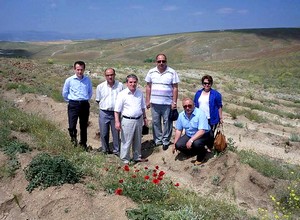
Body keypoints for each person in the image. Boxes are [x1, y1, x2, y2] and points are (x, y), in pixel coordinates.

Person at [145, 54, 180, 151]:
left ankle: (166, 141)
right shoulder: (151, 72)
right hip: (155, 103)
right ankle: (157, 140)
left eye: (163, 61)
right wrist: (147, 100)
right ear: (156, 62)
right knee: (156, 122)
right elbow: (148, 86)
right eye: (159, 61)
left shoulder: (172, 72)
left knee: (167, 122)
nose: (161, 63)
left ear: (166, 61)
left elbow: (175, 88)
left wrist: (174, 102)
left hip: (167, 103)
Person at [114, 74, 148, 164]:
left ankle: (137, 157)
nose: (133, 84)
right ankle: (125, 159)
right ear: (127, 83)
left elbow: (143, 107)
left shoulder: (139, 93)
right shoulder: (122, 94)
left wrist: (145, 118)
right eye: (130, 82)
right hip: (127, 120)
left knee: (138, 140)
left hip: (139, 119)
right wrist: (117, 122)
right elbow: (117, 110)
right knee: (126, 141)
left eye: (134, 82)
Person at [62, 61, 93, 150]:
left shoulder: (87, 80)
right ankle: (73, 141)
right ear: (74, 69)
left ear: (84, 69)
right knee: (72, 125)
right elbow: (65, 93)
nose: (80, 71)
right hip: (73, 104)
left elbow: (90, 92)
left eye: (81, 69)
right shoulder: (69, 80)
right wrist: (72, 100)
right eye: (78, 69)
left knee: (83, 126)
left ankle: (83, 144)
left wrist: (84, 99)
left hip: (84, 104)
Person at [172, 98, 212, 165]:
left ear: (194, 105)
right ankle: (193, 153)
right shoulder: (181, 115)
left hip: (204, 134)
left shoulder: (200, 114)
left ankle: (201, 157)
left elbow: (202, 131)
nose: (187, 108)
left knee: (196, 143)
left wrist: (191, 140)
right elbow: (179, 130)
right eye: (185, 106)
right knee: (178, 145)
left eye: (189, 105)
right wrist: (174, 144)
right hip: (190, 134)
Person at [95, 68, 124, 155]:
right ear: (105, 76)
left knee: (116, 133)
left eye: (111, 75)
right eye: (108, 75)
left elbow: (123, 99)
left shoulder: (120, 86)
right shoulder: (100, 87)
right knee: (104, 133)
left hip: (116, 113)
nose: (110, 77)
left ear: (114, 75)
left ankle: (116, 151)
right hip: (104, 112)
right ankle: (105, 150)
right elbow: (98, 100)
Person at [193, 75, 223, 150]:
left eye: (209, 83)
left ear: (211, 84)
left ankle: (210, 147)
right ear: (202, 84)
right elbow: (195, 105)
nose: (207, 85)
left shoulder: (216, 94)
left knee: (210, 134)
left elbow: (219, 106)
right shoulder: (198, 93)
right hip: (200, 118)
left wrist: (221, 117)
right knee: (201, 132)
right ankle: (201, 146)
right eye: (205, 83)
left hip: (211, 118)